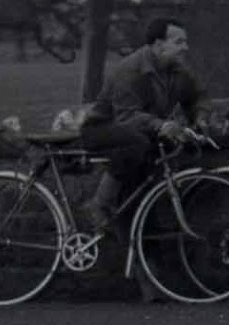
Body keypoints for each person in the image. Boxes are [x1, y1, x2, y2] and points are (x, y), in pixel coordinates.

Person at [80, 17, 206, 232]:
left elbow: (197, 97)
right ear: (158, 44)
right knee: (137, 143)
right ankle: (100, 202)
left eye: (185, 42)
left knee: (164, 150)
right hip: (102, 128)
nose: (185, 47)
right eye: (178, 42)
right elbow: (126, 116)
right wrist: (161, 125)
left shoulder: (176, 69)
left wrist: (201, 119)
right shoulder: (130, 69)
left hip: (141, 129)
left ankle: (142, 217)